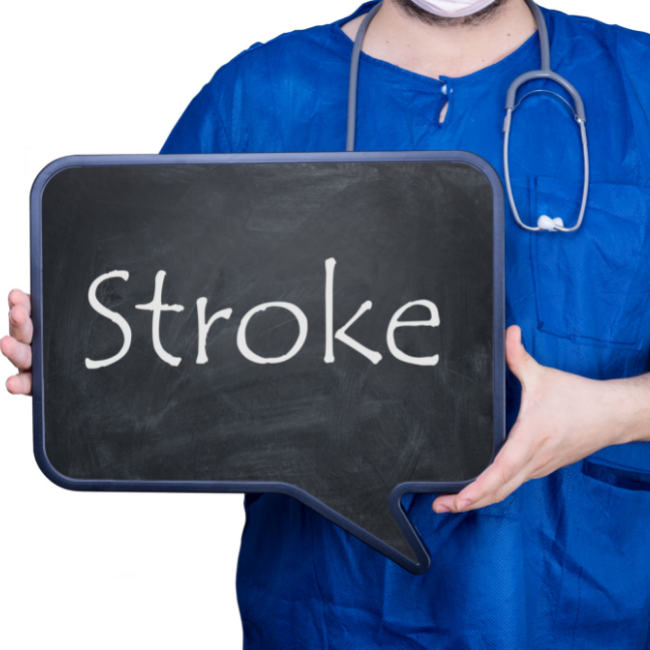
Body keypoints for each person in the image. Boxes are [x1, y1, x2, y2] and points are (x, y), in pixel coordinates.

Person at [4, 0, 650, 647]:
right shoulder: (256, 100)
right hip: (322, 616)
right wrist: (83, 367)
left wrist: (618, 412)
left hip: (579, 616)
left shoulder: (637, 84)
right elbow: (165, 335)